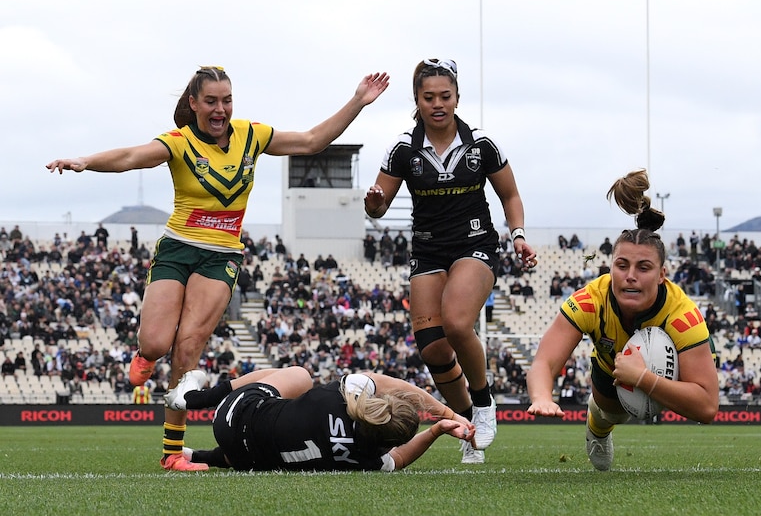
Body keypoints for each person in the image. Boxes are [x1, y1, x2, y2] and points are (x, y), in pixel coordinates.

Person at [46, 65, 389, 471]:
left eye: (226, 101)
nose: (220, 109)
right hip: (178, 248)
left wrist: (358, 102)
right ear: (193, 104)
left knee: (188, 348)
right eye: (211, 101)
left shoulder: (252, 135)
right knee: (157, 344)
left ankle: (173, 453)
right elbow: (130, 157)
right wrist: (85, 161)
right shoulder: (179, 143)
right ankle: (145, 354)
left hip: (222, 254)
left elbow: (312, 140)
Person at [364, 58, 537, 464]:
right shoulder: (404, 150)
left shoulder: (481, 146)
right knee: (433, 350)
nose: (438, 103)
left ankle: (484, 404)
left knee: (458, 323)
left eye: (445, 96)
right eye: (429, 97)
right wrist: (374, 204)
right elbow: (379, 205)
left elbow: (510, 196)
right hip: (427, 251)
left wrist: (519, 235)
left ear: (457, 98)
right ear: (417, 101)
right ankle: (467, 426)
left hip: (474, 244)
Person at [527, 169, 719, 471]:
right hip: (608, 368)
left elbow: (707, 408)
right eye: (622, 265)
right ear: (611, 267)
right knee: (614, 414)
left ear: (661, 275)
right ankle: (598, 427)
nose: (630, 276)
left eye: (643, 267)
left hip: (665, 374)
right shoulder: (591, 300)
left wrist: (643, 378)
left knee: (665, 400)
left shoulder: (683, 315)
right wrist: (542, 396)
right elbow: (544, 362)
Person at [165, 366, 475, 472]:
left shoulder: (343, 395)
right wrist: (435, 431)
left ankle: (193, 400)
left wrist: (447, 413)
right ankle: (196, 455)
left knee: (301, 376)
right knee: (278, 446)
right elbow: (401, 459)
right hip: (244, 454)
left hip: (231, 415)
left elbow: (393, 383)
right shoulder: (366, 459)